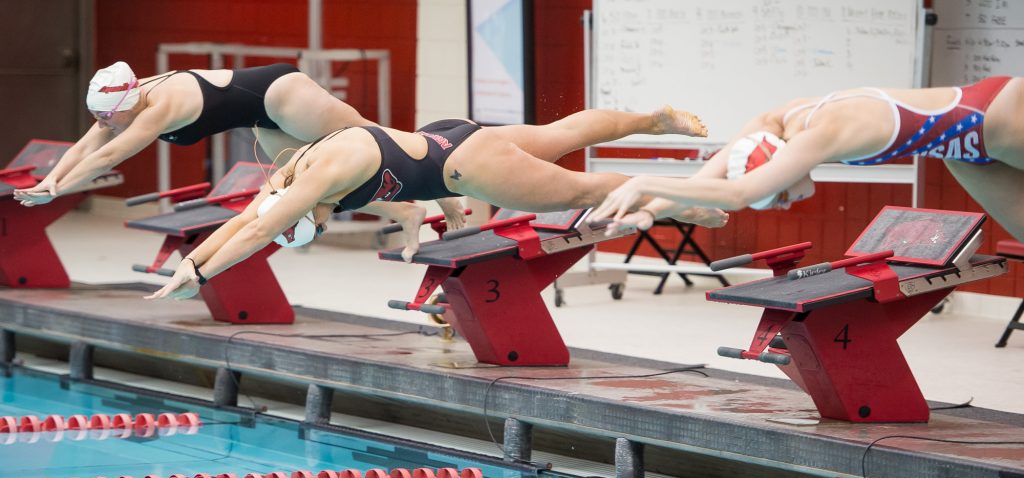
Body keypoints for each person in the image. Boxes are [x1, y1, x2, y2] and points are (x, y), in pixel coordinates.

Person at [144, 106, 726, 300]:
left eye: (313, 226)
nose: (321, 224)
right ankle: (651, 119)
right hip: (448, 136)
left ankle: (683, 200)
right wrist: (190, 266)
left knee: (584, 190)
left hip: (468, 167)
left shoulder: (311, 185)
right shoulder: (290, 181)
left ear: (304, 215)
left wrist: (204, 276)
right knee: (559, 133)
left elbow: (253, 233)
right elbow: (244, 220)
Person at [589, 76, 1024, 243]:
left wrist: (643, 182)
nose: (786, 204)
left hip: (997, 115)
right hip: (962, 151)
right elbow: (704, 181)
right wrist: (648, 213)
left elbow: (739, 194)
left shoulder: (819, 137)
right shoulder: (774, 123)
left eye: (778, 196)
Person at [13, 61, 437, 231]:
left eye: (106, 116)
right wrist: (49, 181)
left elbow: (107, 155)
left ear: (129, 103)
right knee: (305, 185)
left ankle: (440, 180)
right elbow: (84, 147)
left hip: (283, 95)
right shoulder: (122, 105)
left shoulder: (160, 107)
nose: (102, 123)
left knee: (370, 137)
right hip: (262, 119)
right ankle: (405, 211)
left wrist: (60, 189)